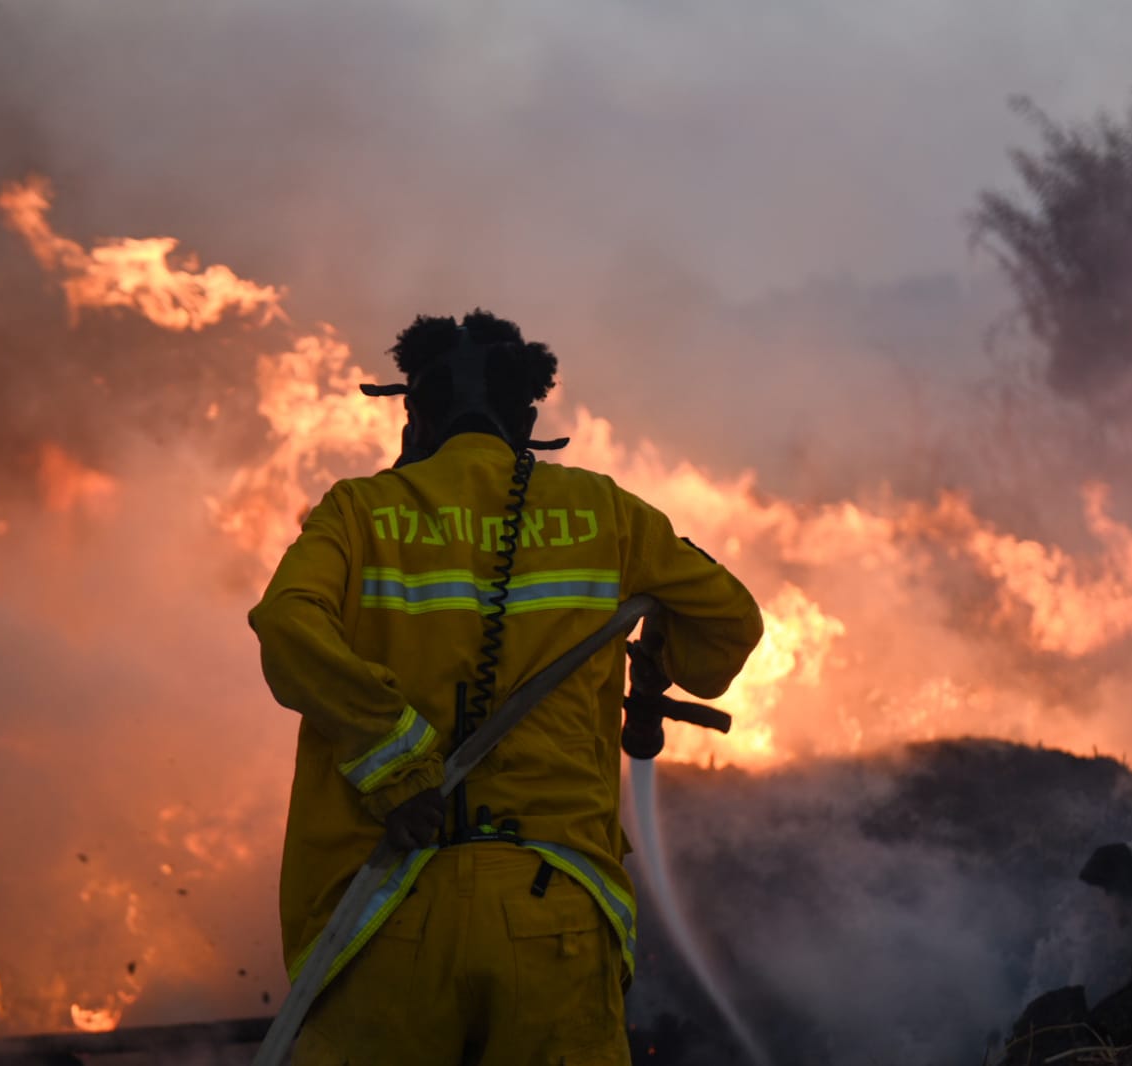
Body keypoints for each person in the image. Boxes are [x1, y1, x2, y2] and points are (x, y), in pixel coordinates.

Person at [249, 309, 764, 1065]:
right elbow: (730, 623)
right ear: (526, 416)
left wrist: (396, 763)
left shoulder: (358, 514)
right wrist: (663, 658)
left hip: (386, 907)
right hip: (552, 908)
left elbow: (288, 628)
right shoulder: (604, 512)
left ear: (414, 414)